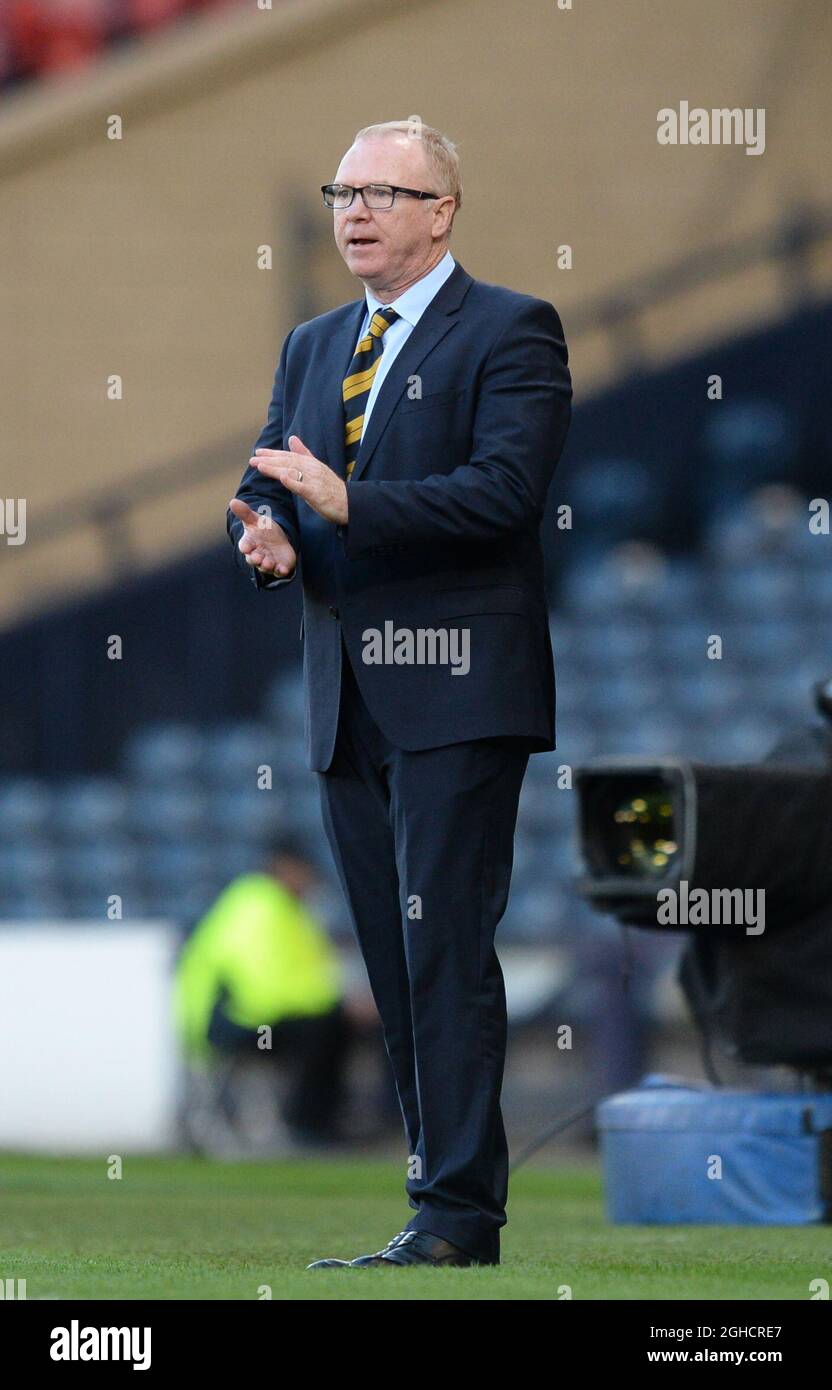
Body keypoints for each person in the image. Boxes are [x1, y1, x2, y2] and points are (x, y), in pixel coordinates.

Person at [228, 120, 572, 1267]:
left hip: (461, 689)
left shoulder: (514, 328)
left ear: (443, 212)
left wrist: (342, 503)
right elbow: (268, 480)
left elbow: (504, 495)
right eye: (343, 189)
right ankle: (434, 1199)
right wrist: (270, 531)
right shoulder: (315, 341)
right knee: (387, 951)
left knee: (443, 949)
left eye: (386, 190)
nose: (356, 209)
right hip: (346, 695)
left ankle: (460, 1217)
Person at [174, 839, 350, 1148]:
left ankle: (320, 1124)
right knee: (326, 1027)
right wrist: (335, 1004)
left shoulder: (280, 906)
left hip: (250, 1015)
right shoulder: (260, 906)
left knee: (336, 1024)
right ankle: (307, 1127)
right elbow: (263, 987)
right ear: (284, 868)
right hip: (233, 1022)